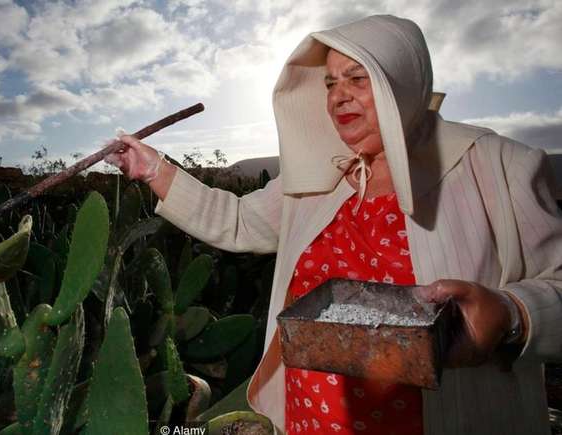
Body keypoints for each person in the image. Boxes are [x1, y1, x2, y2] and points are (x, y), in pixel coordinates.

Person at [104, 14, 562, 435]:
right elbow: (239, 221)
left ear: (399, 82)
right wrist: (153, 169)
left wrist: (512, 314)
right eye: (330, 82)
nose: (339, 94)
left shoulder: (499, 165)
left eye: (358, 78)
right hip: (308, 420)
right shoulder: (325, 176)